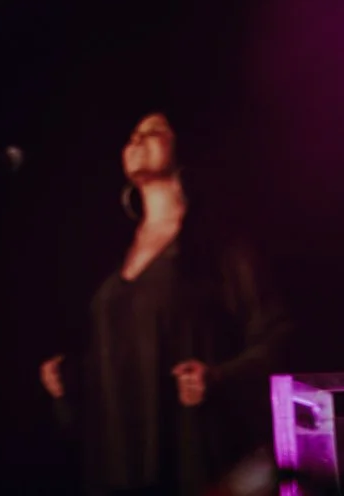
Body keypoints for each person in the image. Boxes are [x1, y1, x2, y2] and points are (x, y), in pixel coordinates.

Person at [39, 112, 288, 496]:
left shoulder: (219, 248)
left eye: (153, 131)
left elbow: (276, 337)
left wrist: (219, 377)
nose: (137, 141)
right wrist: (69, 378)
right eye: (132, 135)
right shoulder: (112, 256)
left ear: (183, 148)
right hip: (121, 464)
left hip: (193, 460)